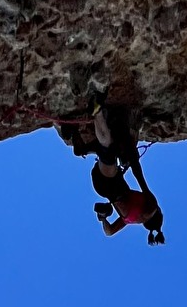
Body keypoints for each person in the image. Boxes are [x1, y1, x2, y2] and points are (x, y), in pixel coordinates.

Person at [61, 99, 165, 245]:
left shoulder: (151, 207)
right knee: (110, 150)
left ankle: (97, 111)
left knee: (108, 149)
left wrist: (133, 157)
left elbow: (140, 179)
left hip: (112, 182)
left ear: (158, 213)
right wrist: (103, 218)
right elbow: (109, 232)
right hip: (104, 187)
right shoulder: (129, 220)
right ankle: (79, 144)